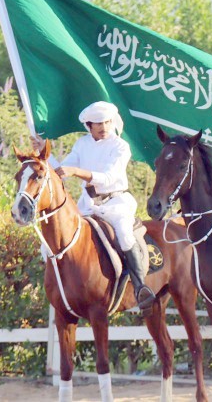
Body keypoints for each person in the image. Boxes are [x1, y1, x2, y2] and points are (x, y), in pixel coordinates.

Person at [33, 101, 156, 310]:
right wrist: (43, 152)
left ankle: (139, 286)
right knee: (50, 243)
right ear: (89, 125)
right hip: (88, 204)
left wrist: (76, 172)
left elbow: (107, 178)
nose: (104, 127)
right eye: (98, 123)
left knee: (125, 235)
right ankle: (62, 287)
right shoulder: (82, 144)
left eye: (107, 122)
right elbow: (62, 171)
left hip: (116, 203)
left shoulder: (120, 146)